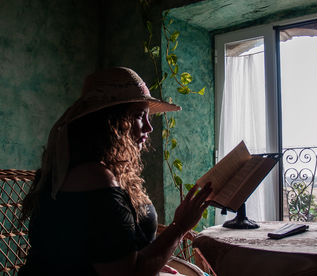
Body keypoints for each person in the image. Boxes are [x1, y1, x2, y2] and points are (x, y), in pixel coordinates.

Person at [19, 67, 212, 276]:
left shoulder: (96, 169)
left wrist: (152, 261)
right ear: (110, 123)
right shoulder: (94, 178)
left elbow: (110, 253)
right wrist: (180, 226)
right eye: (139, 116)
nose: (149, 127)